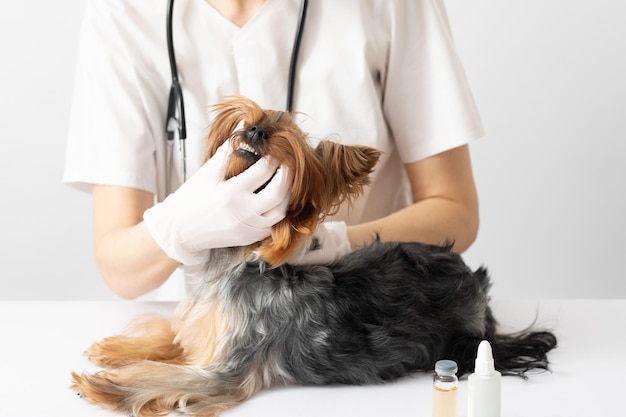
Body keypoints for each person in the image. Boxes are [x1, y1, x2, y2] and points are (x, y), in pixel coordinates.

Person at [64, 0, 484, 300]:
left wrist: (333, 244)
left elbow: (454, 211)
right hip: (210, 328)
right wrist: (179, 227)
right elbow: (120, 269)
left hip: (361, 311)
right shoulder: (122, 14)